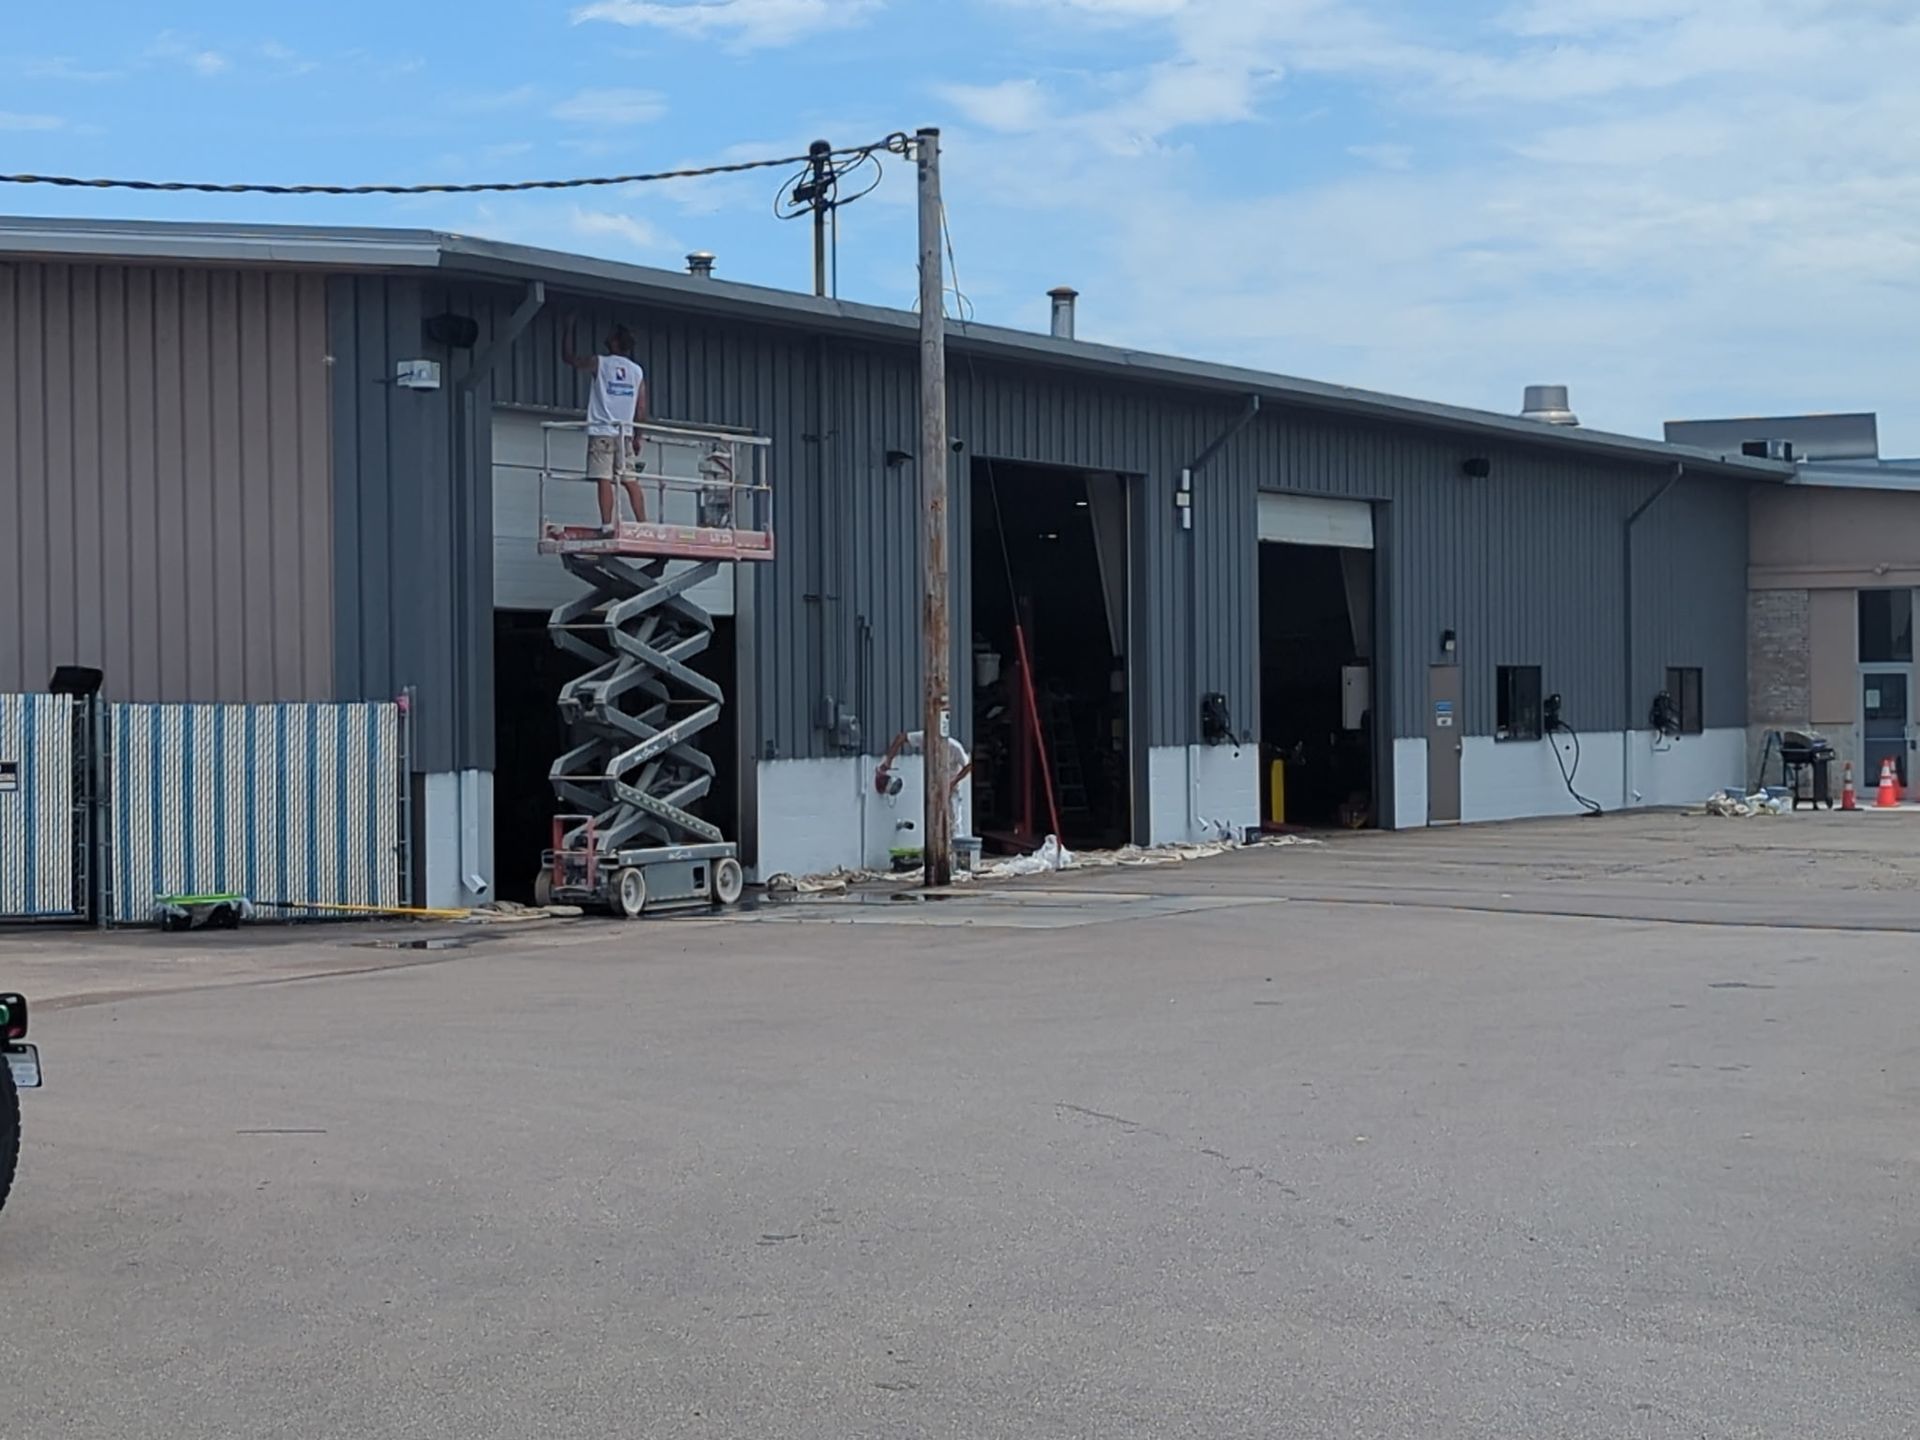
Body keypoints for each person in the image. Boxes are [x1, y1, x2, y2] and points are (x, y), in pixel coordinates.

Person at [563, 321, 649, 533]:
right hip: (625, 434)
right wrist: (638, 436)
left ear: (615, 342)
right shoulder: (636, 371)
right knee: (630, 480)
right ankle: (644, 523)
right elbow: (641, 407)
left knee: (603, 478)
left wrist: (568, 328)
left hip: (602, 431)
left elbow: (569, 358)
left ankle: (607, 524)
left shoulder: (599, 363)